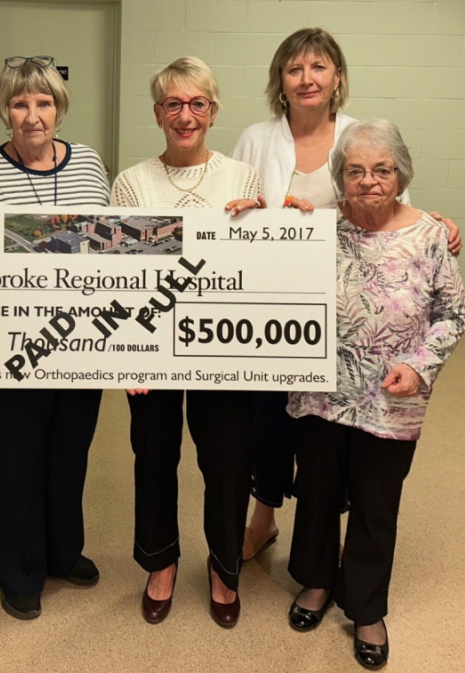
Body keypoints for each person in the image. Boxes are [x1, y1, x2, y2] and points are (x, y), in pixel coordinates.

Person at [231, 28, 462, 562]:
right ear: (280, 81)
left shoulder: (362, 134)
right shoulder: (254, 139)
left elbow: (396, 208)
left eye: (318, 67)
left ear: (337, 78)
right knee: (270, 425)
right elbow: (236, 210)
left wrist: (440, 226)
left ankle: (327, 538)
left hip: (345, 319)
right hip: (274, 310)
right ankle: (262, 519)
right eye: (294, 69)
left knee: (328, 439)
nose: (307, 79)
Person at [286, 119, 465, 669]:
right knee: (317, 492)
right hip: (319, 392)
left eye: (381, 170)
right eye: (355, 170)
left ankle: (365, 606)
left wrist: (419, 367)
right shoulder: (315, 227)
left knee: (375, 503)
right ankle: (316, 582)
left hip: (393, 399)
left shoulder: (432, 234)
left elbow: (453, 313)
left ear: (401, 174)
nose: (368, 181)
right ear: (340, 177)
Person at [0, 55, 110, 620]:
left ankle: (61, 551)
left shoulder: (91, 163)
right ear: (5, 109)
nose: (32, 115)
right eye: (20, 103)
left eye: (43, 102)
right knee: (15, 454)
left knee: (70, 449)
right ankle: (19, 571)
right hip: (9, 341)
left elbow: (115, 249)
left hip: (81, 337)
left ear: (59, 107)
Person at [111, 57, 261, 628]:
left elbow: (257, 263)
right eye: (173, 104)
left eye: (197, 103)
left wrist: (267, 218)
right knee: (153, 455)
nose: (185, 114)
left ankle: (225, 567)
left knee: (226, 459)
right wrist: (125, 351)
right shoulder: (132, 181)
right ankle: (160, 562)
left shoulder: (241, 179)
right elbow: (117, 275)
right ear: (157, 113)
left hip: (223, 346)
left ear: (214, 112)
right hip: (149, 343)